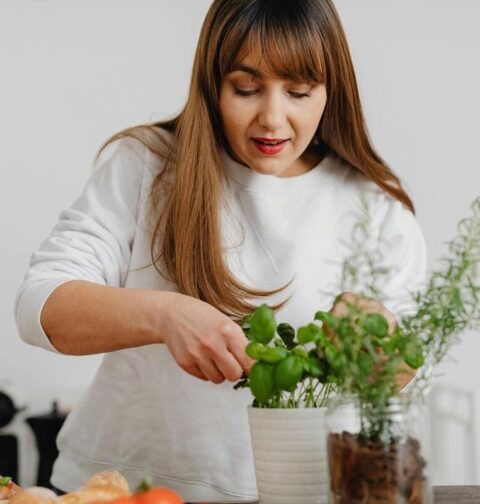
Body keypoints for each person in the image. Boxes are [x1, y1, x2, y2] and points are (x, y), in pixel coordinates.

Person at [14, 0, 427, 501]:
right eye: (246, 88)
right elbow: (40, 305)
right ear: (213, 84)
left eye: (299, 91)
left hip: (297, 491)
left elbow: (409, 369)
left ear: (331, 89)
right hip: (117, 487)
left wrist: (379, 340)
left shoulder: (375, 205)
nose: (273, 118)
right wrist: (165, 315)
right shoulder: (145, 166)